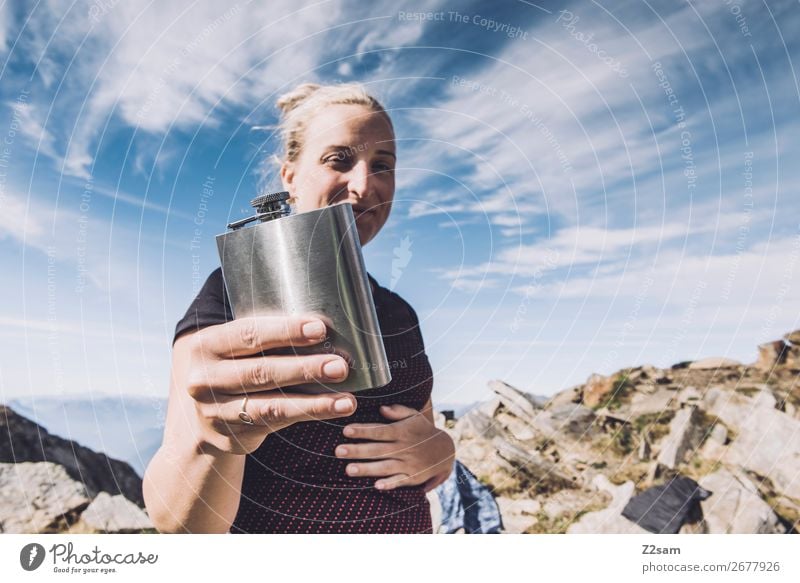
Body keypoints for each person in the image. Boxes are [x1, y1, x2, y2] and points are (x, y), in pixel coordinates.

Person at [143, 82, 456, 534]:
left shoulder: (398, 312)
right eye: (338, 160)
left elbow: (419, 427)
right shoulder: (233, 296)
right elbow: (178, 523)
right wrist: (213, 443)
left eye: (382, 166)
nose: (364, 184)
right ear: (289, 177)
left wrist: (441, 450)